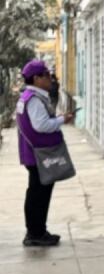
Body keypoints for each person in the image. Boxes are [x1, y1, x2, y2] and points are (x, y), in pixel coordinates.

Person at [15, 60, 74, 247]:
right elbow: (41, 125)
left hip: (33, 152)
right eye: (46, 75)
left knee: (37, 192)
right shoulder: (34, 99)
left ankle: (37, 230)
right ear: (36, 78)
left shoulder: (27, 97)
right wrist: (61, 120)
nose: (51, 78)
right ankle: (35, 233)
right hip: (39, 153)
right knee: (38, 193)